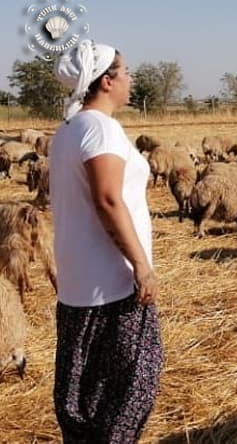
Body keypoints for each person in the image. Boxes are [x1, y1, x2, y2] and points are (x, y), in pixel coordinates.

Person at [49, 39, 163, 443]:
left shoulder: (67, 130)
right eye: (126, 71)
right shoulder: (101, 129)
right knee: (131, 388)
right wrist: (142, 267)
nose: (131, 79)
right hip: (113, 286)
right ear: (107, 81)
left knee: (85, 396)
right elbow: (108, 199)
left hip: (79, 287)